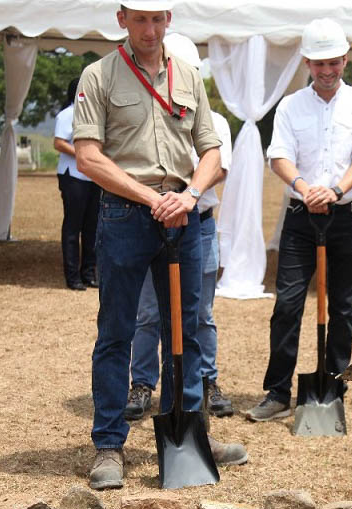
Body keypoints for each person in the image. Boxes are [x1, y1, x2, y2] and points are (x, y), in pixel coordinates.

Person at [72, 0, 247, 491]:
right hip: (127, 214)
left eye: (157, 19)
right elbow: (88, 156)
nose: (149, 29)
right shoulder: (99, 75)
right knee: (116, 332)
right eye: (139, 18)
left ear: (169, 20)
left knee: (185, 330)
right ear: (121, 19)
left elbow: (211, 147)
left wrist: (189, 195)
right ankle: (109, 444)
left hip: (183, 217)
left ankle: (191, 436)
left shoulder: (189, 74)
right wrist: (155, 198)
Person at [243, 18, 352, 422]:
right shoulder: (290, 105)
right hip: (301, 217)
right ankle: (277, 391)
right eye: (319, 64)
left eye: (334, 62)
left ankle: (333, 386)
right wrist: (305, 187)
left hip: (349, 216)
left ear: (345, 59)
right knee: (287, 304)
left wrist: (335, 190)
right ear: (306, 62)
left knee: (343, 305)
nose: (326, 71)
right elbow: (279, 155)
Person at [125, 32, 236, 421]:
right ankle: (142, 385)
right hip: (153, 222)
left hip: (199, 225)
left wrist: (186, 192)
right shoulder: (143, 112)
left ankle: (205, 380)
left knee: (199, 314)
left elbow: (219, 167)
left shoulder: (214, 118)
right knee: (149, 313)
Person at [53, 77, 101, 291]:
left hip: (94, 176)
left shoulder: (97, 114)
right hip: (73, 175)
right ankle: (72, 276)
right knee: (73, 226)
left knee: (92, 226)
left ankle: (89, 273)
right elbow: (59, 142)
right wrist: (83, 154)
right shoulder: (67, 114)